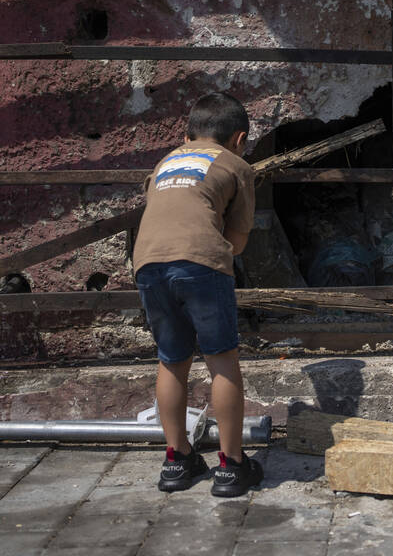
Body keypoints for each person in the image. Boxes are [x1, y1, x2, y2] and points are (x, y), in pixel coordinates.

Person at [133, 91, 264, 497]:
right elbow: (238, 243)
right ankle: (231, 465)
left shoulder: (164, 163)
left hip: (148, 264)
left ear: (186, 136)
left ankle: (176, 461)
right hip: (201, 264)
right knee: (222, 360)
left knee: (172, 361)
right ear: (239, 139)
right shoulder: (235, 165)